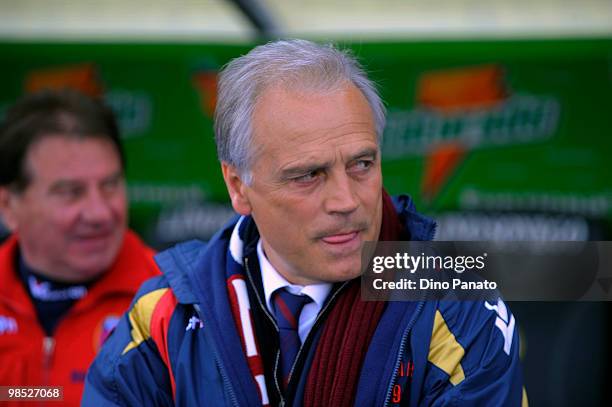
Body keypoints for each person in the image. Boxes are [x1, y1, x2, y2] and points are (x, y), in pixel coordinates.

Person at [83, 40, 526, 406]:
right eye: (308, 175)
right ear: (238, 186)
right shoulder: (166, 310)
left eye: (362, 164)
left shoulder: (459, 298)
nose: (346, 200)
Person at [0, 89, 160, 406]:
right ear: (8, 205)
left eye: (110, 185)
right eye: (71, 192)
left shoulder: (173, 300)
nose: (99, 213)